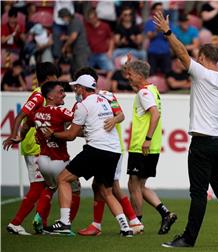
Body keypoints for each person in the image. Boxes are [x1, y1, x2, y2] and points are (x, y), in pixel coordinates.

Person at [153, 12, 218, 248]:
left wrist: (168, 32)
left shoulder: (200, 73)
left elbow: (181, 53)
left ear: (201, 58)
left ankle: (188, 239)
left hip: (203, 143)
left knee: (198, 194)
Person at [42, 74, 133, 237]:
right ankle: (126, 228)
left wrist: (53, 134)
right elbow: (92, 128)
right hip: (113, 151)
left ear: (83, 89)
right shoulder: (104, 100)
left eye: (76, 87)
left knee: (62, 179)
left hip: (96, 149)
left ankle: (64, 222)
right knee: (107, 191)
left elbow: (71, 135)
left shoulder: (82, 105)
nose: (75, 90)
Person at [70, 68, 143, 236]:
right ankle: (101, 224)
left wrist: (114, 119)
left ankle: (133, 222)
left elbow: (121, 115)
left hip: (108, 148)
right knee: (100, 186)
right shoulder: (93, 99)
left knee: (111, 188)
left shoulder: (106, 96)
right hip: (105, 147)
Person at [13, 81, 81, 234]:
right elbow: (77, 122)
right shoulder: (61, 112)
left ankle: (39, 217)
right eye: (60, 92)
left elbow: (25, 125)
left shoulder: (36, 112)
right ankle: (65, 224)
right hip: (59, 160)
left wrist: (19, 138)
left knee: (50, 187)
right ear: (50, 96)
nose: (63, 94)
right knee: (75, 189)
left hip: (43, 160)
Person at [3, 62, 59, 235]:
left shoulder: (43, 95)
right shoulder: (39, 95)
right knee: (42, 185)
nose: (57, 81)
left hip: (39, 145)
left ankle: (41, 223)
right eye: (55, 77)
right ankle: (16, 222)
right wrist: (14, 135)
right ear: (49, 78)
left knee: (48, 184)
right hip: (34, 146)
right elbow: (21, 115)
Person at [123, 59, 177, 235]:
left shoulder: (144, 94)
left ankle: (136, 223)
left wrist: (146, 139)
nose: (127, 77)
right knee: (139, 185)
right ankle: (165, 213)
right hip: (151, 147)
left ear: (139, 75)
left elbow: (154, 114)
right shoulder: (151, 89)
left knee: (134, 185)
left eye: (130, 74)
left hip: (142, 146)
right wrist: (128, 65)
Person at [58, 8, 90, 77]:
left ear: (65, 16)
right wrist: (66, 37)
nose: (63, 20)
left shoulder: (75, 22)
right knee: (75, 71)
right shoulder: (71, 23)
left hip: (81, 50)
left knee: (82, 72)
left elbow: (73, 37)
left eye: (62, 18)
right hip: (76, 51)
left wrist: (65, 46)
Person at [85, 8, 114, 79]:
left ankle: (107, 84)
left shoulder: (105, 26)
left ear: (96, 17)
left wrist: (110, 51)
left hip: (103, 54)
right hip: (91, 54)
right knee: (85, 70)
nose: (91, 20)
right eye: (89, 19)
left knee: (111, 69)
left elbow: (111, 39)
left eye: (92, 18)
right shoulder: (87, 26)